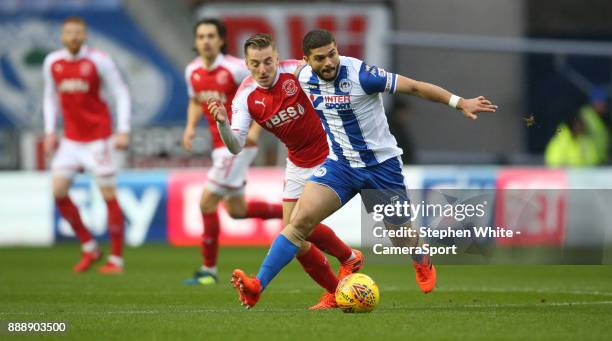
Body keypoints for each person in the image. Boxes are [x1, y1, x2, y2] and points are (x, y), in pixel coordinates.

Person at [228, 29, 498, 308]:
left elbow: (415, 87)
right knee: (298, 224)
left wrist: (459, 102)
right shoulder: (303, 76)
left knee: (401, 237)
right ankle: (257, 285)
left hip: (381, 168)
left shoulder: (362, 75)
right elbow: (278, 82)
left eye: (332, 54)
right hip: (341, 165)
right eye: (320, 58)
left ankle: (420, 257)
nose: (330, 62)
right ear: (307, 60)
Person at [209, 34, 364, 309]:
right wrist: (223, 123)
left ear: (277, 58)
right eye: (255, 63)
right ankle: (341, 283)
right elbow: (236, 146)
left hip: (328, 152)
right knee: (296, 235)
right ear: (246, 64)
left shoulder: (297, 71)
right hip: (297, 161)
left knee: (296, 229)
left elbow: (334, 76)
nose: (263, 69)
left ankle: (345, 260)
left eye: (268, 61)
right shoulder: (245, 97)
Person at [181, 19, 285, 285]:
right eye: (201, 35)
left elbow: (262, 93)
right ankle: (291, 214)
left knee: (206, 203)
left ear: (221, 40)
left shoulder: (236, 68)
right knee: (237, 210)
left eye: (211, 36)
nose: (205, 40)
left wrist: (255, 130)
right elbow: (195, 100)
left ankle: (208, 271)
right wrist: (190, 127)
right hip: (220, 146)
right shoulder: (192, 70)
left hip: (236, 146)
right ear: (195, 41)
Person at [43, 16, 130, 274]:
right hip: (70, 140)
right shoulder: (52, 62)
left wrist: (123, 130)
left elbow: (121, 92)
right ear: (62, 36)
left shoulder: (99, 60)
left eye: (78, 32)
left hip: (98, 140)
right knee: (58, 191)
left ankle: (116, 259)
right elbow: (49, 97)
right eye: (69, 32)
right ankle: (89, 246)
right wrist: (50, 131)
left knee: (108, 195)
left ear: (85, 35)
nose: (73, 37)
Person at [579, 86, 609, 164]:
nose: (604, 105)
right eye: (601, 102)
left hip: (600, 160)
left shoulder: (603, 117)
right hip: (587, 162)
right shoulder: (585, 115)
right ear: (594, 102)